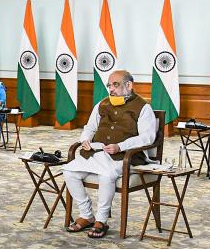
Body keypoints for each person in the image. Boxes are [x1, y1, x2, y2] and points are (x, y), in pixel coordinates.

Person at [63, 70, 157, 238]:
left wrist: (121, 146)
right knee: (69, 171)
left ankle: (101, 220)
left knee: (106, 176)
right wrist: (85, 140)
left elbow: (147, 137)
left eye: (115, 85)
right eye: (109, 85)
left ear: (129, 85)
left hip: (126, 155)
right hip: (97, 151)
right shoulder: (102, 104)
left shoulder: (143, 107)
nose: (111, 89)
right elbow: (90, 127)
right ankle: (87, 215)